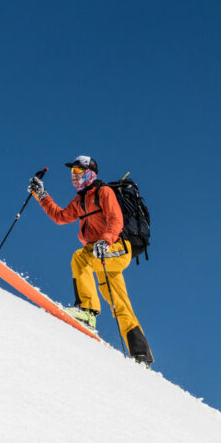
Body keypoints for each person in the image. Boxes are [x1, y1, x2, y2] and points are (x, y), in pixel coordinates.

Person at [28, 155, 153, 366]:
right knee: (120, 304)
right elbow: (60, 216)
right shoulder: (80, 200)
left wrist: (105, 240)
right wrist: (41, 195)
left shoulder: (103, 192)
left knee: (80, 257)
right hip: (101, 254)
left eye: (78, 172)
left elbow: (116, 219)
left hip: (117, 248)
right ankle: (141, 355)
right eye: (72, 173)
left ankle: (86, 311)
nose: (74, 177)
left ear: (90, 173)